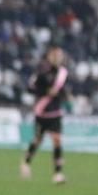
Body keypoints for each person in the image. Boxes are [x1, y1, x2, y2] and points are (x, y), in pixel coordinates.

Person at [20, 45, 68, 184]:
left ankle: (58, 173)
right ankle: (26, 162)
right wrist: (46, 91)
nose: (58, 58)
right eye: (55, 55)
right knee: (38, 140)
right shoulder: (42, 73)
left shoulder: (63, 74)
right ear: (49, 56)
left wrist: (62, 95)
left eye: (60, 55)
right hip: (42, 112)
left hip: (56, 112)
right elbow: (30, 88)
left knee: (57, 140)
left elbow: (63, 91)